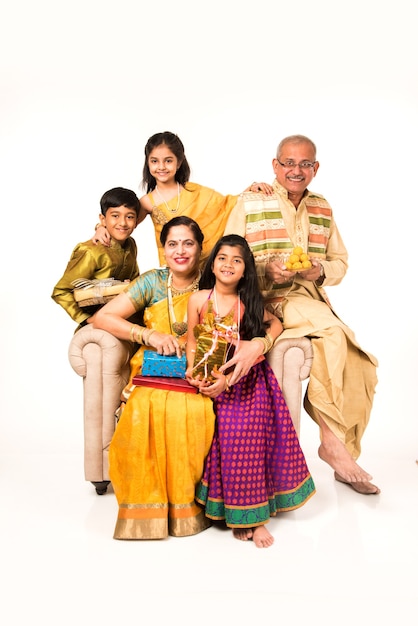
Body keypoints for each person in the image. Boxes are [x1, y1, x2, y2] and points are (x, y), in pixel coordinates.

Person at [224, 134, 380, 495]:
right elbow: (226, 259)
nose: (296, 170)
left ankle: (341, 449)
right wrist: (267, 272)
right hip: (268, 300)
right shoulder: (251, 201)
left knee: (360, 361)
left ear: (316, 168)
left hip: (310, 298)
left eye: (305, 164)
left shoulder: (323, 207)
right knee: (335, 334)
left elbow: (340, 263)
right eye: (288, 163)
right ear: (275, 166)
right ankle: (333, 446)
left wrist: (317, 270)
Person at [185, 235, 316, 548]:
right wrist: (195, 372)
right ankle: (233, 510)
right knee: (222, 430)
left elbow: (275, 325)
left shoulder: (247, 304)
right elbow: (192, 340)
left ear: (245, 270)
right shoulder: (198, 300)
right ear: (212, 263)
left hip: (246, 382)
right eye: (223, 257)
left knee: (242, 430)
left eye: (237, 260)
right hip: (208, 375)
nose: (228, 264)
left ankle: (254, 519)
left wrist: (258, 346)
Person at [92, 216, 218, 540]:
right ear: (163, 249)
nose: (180, 250)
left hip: (200, 371)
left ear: (200, 247)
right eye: (172, 243)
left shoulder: (215, 280)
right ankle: (149, 512)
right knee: (147, 410)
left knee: (191, 411)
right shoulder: (152, 282)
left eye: (188, 243)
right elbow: (103, 316)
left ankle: (186, 508)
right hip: (152, 372)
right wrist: (147, 334)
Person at [92, 131, 271, 268]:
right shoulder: (147, 202)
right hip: (175, 268)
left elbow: (226, 206)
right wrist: (100, 228)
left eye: (168, 161)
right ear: (148, 162)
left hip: (207, 265)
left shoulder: (194, 190)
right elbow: (124, 224)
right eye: (154, 161)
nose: (161, 167)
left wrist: (248, 192)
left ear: (178, 163)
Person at [52, 187, 140, 330]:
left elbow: (136, 278)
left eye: (129, 217)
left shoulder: (130, 244)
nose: (123, 223)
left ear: (136, 221)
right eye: (115, 216)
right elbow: (61, 291)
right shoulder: (91, 251)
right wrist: (86, 320)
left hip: (125, 321)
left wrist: (131, 285)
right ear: (103, 219)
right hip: (96, 328)